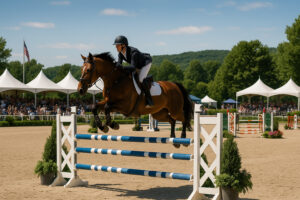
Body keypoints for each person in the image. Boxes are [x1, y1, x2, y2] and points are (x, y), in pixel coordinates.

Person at [113, 35, 154, 107]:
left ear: (123, 45)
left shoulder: (133, 52)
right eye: (116, 46)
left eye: (117, 45)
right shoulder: (120, 54)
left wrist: (121, 67)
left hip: (145, 63)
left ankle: (149, 100)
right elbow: (119, 65)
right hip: (137, 65)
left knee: (141, 79)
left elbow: (132, 67)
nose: (116, 47)